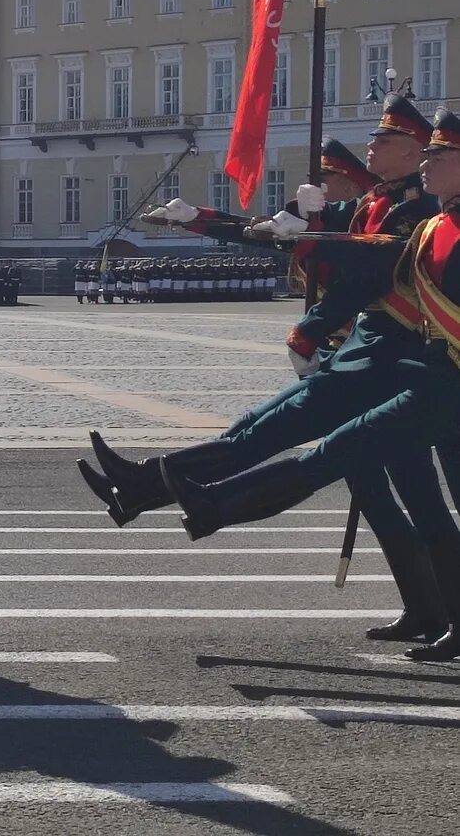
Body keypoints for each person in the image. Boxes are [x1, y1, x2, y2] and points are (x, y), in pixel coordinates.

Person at [164, 106, 460, 661]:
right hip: (428, 379)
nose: (428, 163)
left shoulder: (427, 219)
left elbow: (367, 273)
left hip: (431, 379)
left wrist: (315, 316)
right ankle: (211, 503)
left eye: (438, 157)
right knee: (359, 467)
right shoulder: (432, 225)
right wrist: (219, 222)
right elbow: (368, 255)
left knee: (351, 461)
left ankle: (213, 504)